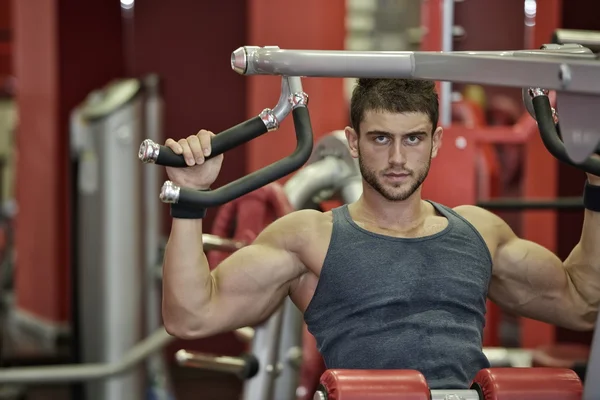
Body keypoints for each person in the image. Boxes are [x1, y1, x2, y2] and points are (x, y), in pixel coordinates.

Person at [161, 78, 600, 390]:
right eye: (379, 138)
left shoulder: (478, 232)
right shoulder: (311, 237)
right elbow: (191, 316)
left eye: (412, 139)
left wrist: (597, 184)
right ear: (352, 142)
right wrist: (189, 197)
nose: (396, 158)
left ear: (436, 141)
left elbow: (580, 303)